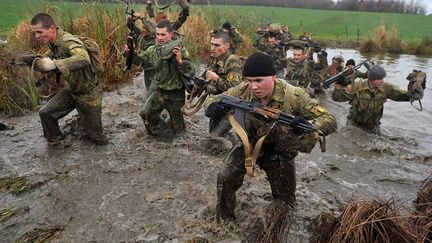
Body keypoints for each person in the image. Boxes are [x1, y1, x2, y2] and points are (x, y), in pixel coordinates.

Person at [205, 52, 337, 221]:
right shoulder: (242, 90)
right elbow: (215, 99)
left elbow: (329, 119)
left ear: (274, 77)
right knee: (225, 178)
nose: (253, 86)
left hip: (280, 152)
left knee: (286, 205)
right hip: (249, 144)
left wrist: (308, 125)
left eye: (259, 80)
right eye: (250, 80)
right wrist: (212, 107)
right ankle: (225, 222)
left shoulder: (294, 95)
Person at [30, 13, 107, 145]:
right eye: (34, 33)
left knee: (97, 138)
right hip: (72, 90)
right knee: (46, 114)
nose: (36, 36)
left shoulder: (68, 41)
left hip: (89, 93)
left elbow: (83, 58)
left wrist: (54, 64)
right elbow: (45, 61)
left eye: (39, 32)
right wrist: (31, 60)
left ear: (52, 29)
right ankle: (56, 143)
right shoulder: (54, 45)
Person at [130, 19, 195, 135]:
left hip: (176, 94)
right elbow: (141, 60)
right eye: (157, 34)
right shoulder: (153, 50)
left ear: (170, 34)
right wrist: (129, 54)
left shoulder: (180, 50)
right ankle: (163, 136)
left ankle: (176, 143)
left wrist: (180, 61)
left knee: (178, 129)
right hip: (159, 91)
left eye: (163, 34)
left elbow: (191, 71)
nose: (159, 38)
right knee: (146, 114)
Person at [130, 0, 191, 90]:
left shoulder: (169, 29)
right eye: (161, 20)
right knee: (150, 88)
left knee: (158, 85)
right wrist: (148, 4)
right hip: (149, 65)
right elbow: (146, 18)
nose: (160, 37)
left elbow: (182, 18)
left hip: (162, 65)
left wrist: (185, 5)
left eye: (165, 19)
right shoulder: (151, 30)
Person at [332, 65, 411, 135]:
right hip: (355, 123)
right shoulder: (357, 86)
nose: (382, 81)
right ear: (371, 79)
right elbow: (337, 98)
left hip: (373, 125)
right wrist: (338, 86)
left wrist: (415, 90)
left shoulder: (386, 88)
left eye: (382, 78)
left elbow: (405, 96)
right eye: (379, 79)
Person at [205, 31, 243, 135]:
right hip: (217, 103)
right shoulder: (213, 59)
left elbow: (235, 88)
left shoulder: (232, 62)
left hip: (230, 107)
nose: (213, 48)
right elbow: (207, 78)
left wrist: (216, 78)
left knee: (217, 136)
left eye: (217, 45)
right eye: (212, 44)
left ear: (227, 46)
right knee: (212, 135)